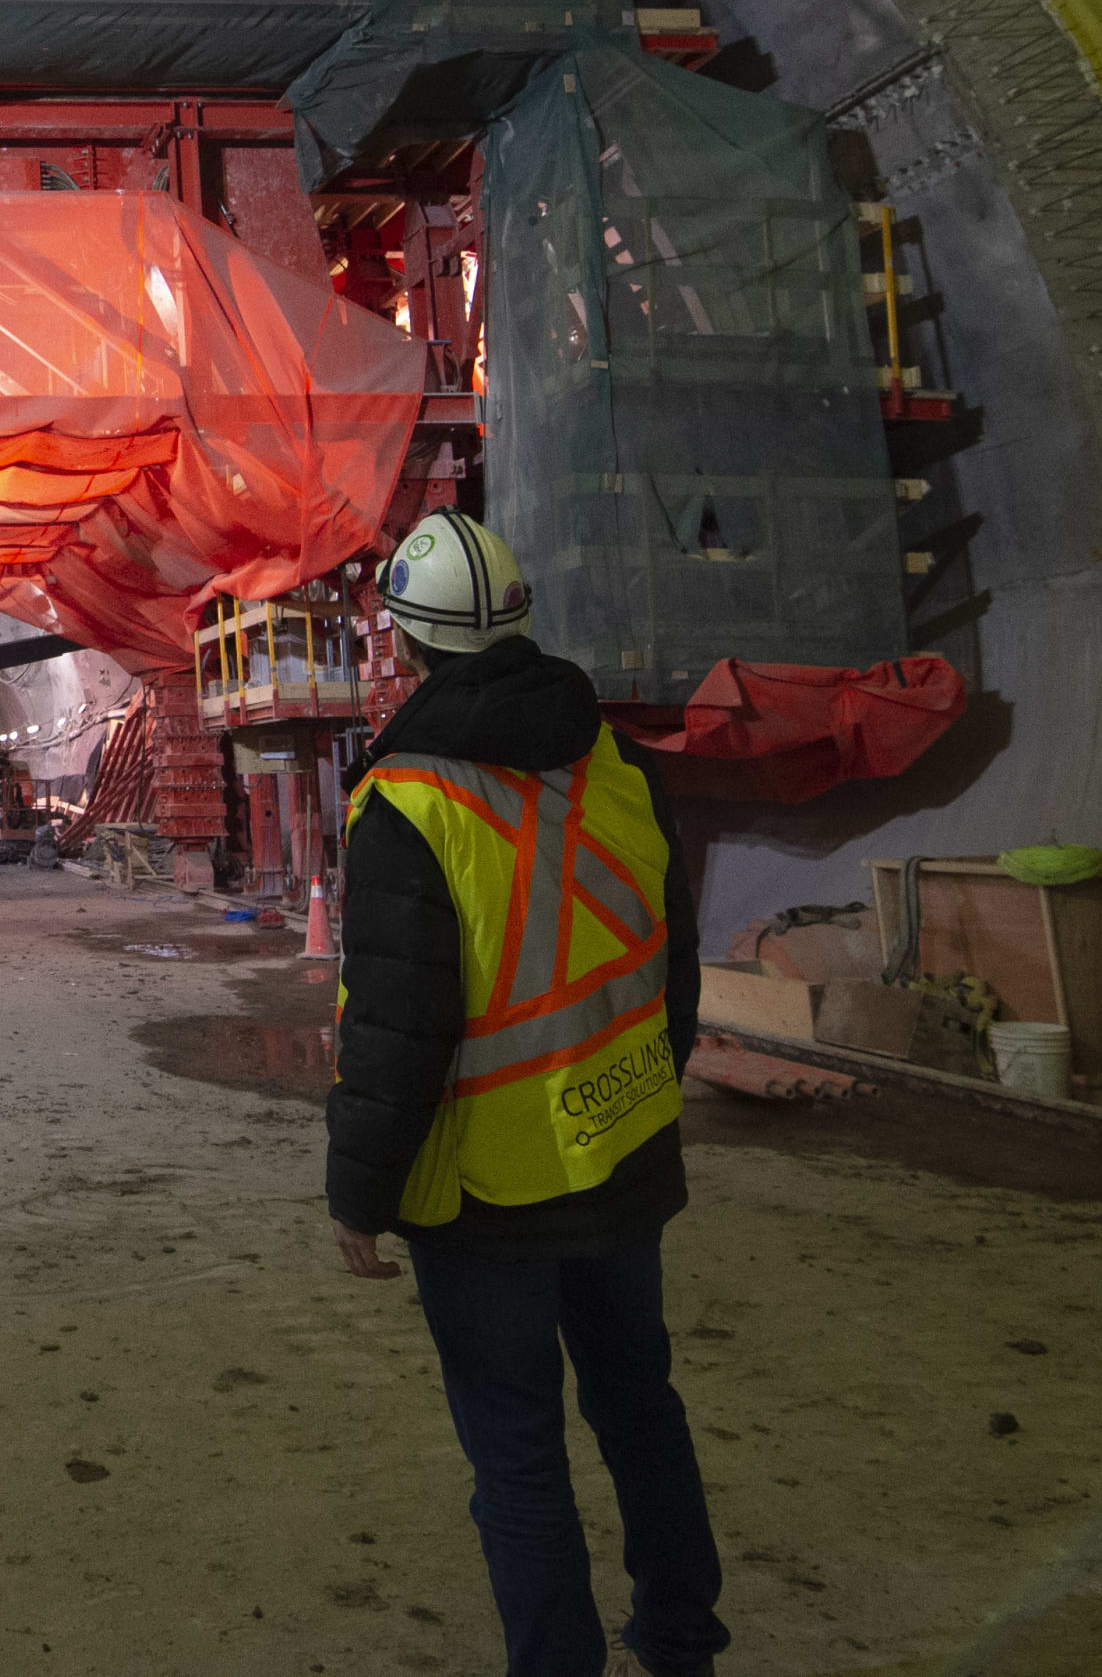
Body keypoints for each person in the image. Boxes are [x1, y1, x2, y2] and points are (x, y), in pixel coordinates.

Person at [326, 508, 726, 1677]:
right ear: (519, 622)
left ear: (401, 644)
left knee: (519, 1457)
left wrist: (359, 1192)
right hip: (624, 1153)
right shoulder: (619, 765)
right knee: (641, 1407)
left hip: (489, 1192)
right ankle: (682, 1639)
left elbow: (400, 1031)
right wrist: (643, 1090)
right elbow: (673, 965)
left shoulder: (406, 804)